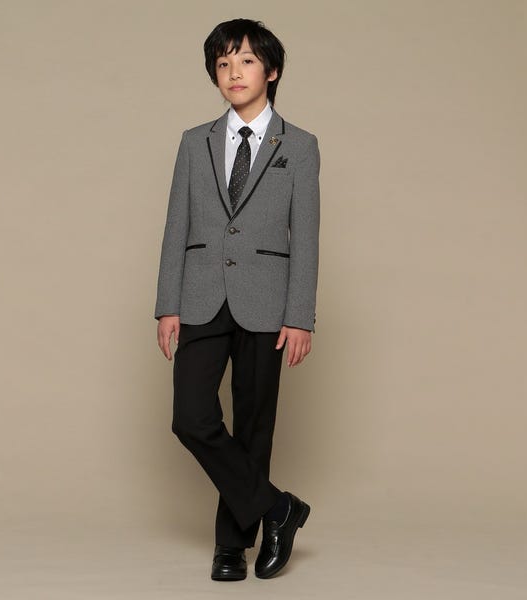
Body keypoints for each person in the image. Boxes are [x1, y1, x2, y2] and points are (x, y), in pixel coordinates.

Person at [154, 18, 320, 581]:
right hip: (200, 294)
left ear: (271, 71)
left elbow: (307, 236)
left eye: (246, 60)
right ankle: (278, 508)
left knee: (254, 426)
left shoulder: (299, 146)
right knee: (191, 418)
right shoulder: (193, 141)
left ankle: (231, 546)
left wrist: (300, 316)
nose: (234, 72)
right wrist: (168, 304)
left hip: (268, 300)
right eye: (223, 63)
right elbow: (176, 226)